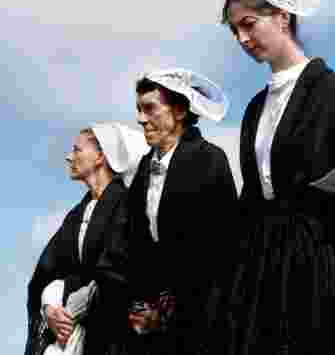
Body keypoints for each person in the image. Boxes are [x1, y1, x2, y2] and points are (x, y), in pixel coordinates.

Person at [208, 0, 335, 354]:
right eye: (235, 32)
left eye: (249, 25)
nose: (243, 39)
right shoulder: (254, 108)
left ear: (283, 16)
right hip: (260, 264)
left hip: (314, 261)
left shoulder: (325, 89)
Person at [126, 68, 237, 354]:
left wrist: (168, 313)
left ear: (178, 110)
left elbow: (222, 250)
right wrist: (143, 307)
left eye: (150, 108)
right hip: (151, 328)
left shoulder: (209, 160)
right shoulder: (142, 169)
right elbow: (136, 246)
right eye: (138, 109)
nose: (140, 119)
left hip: (202, 322)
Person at [26, 123, 148, 355]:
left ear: (101, 156)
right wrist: (49, 310)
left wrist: (76, 305)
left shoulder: (127, 204)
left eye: (77, 149)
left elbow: (120, 274)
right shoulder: (76, 214)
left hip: (110, 338)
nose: (69, 156)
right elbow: (48, 272)